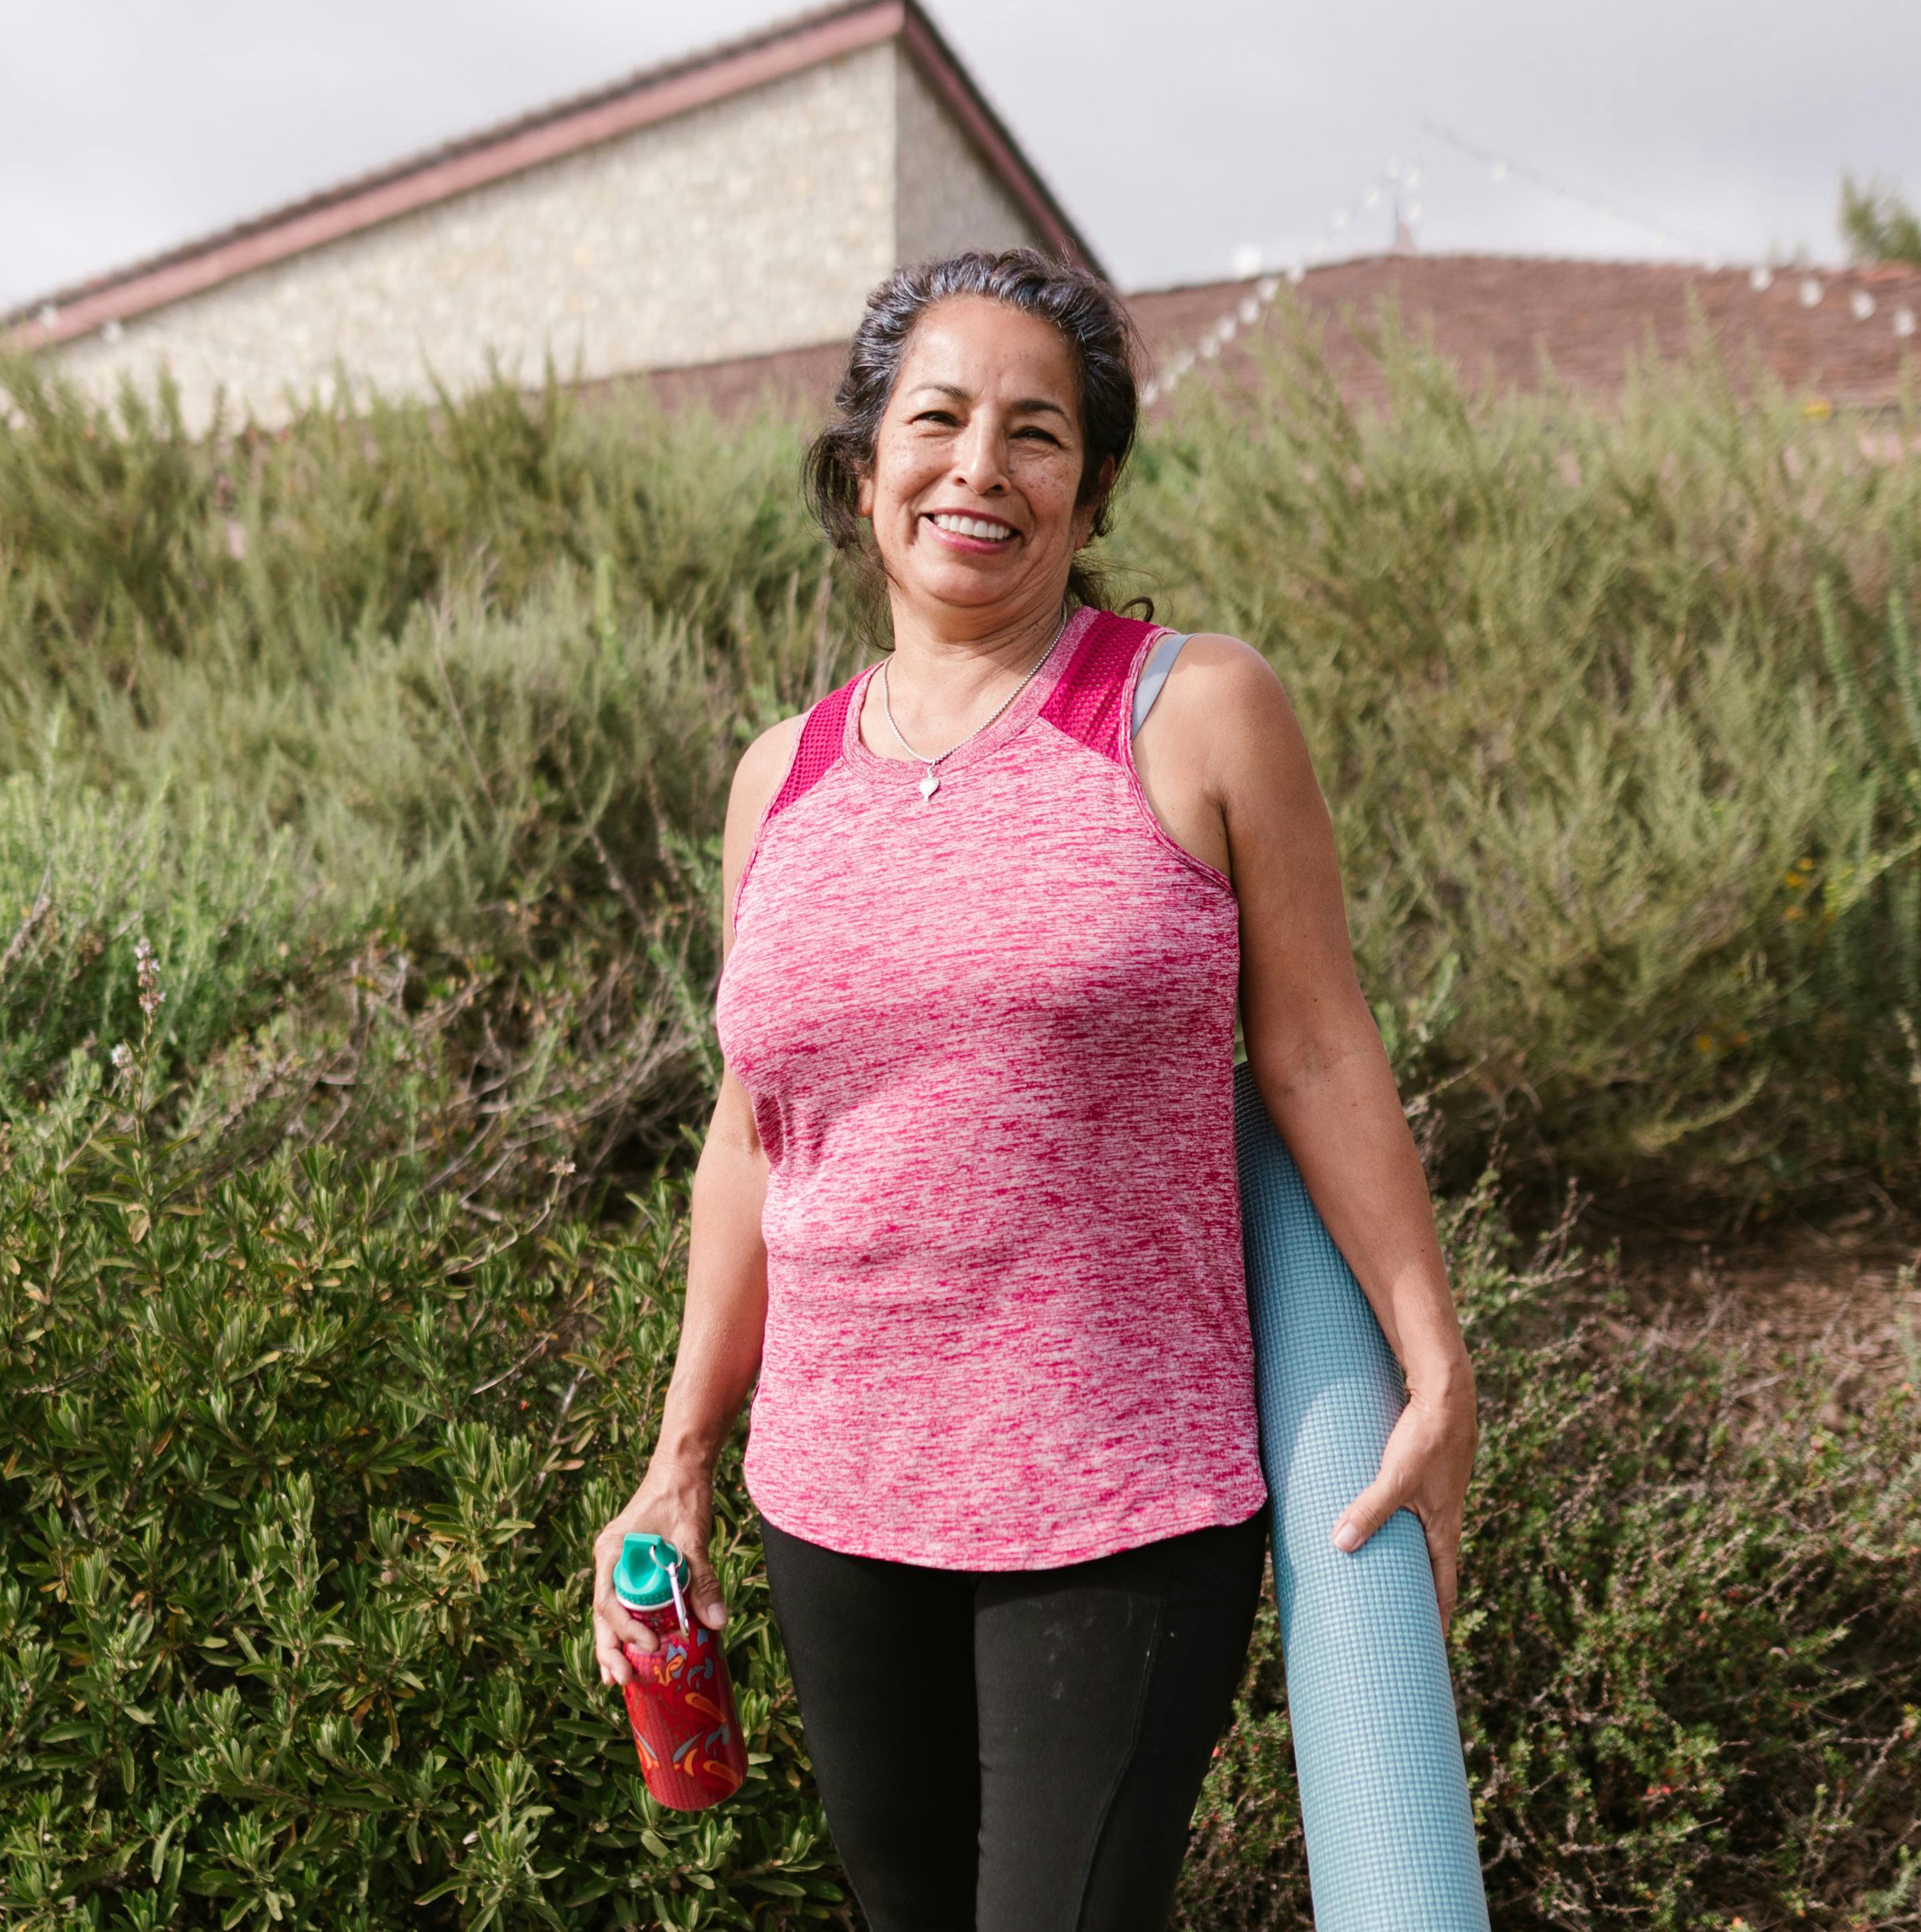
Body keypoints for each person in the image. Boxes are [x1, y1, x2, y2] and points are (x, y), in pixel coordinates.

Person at [589, 249, 1477, 1932]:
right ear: (863, 473)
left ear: (1095, 484)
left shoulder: (1193, 708)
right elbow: (750, 1132)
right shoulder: (776, 776)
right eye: (935, 420)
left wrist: (1434, 1358)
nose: (978, 467)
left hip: (1116, 1493)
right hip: (836, 1493)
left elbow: (1311, 1049)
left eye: (1036, 432)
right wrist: (679, 1457)